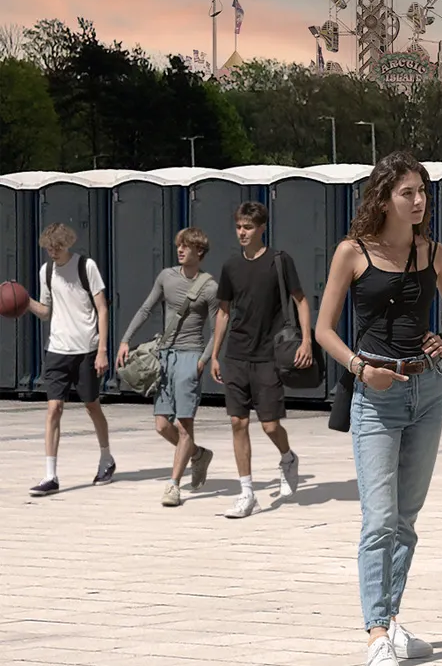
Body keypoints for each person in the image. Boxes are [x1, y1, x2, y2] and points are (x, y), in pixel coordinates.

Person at [316, 150, 442, 666]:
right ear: (384, 198)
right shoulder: (352, 253)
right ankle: (377, 634)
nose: (420, 200)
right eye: (409, 192)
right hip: (375, 395)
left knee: (406, 518)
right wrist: (360, 368)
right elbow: (323, 330)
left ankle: (393, 620)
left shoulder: (434, 253)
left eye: (423, 191)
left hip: (427, 390)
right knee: (379, 519)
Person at [210, 201, 312, 519]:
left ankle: (287, 457)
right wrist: (214, 354)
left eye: (248, 227)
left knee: (269, 425)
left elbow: (301, 301)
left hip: (268, 354)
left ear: (261, 228)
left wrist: (307, 341)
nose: (242, 232)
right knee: (238, 422)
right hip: (236, 353)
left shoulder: (279, 261)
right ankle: (247, 493)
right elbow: (224, 311)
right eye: (239, 226)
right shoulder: (230, 266)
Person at [116, 228, 219, 508]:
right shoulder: (166, 277)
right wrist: (125, 340)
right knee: (162, 425)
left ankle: (173, 486)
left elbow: (219, 326)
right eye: (179, 246)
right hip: (165, 357)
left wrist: (203, 360)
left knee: (184, 425)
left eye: (186, 246)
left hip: (190, 356)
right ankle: (198, 455)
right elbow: (146, 309)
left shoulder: (210, 287)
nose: (180, 250)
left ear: (199, 252)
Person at [25, 223, 114, 495]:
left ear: (67, 244)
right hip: (57, 349)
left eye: (56, 247)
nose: (51, 251)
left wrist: (102, 350)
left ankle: (106, 459)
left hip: (86, 348)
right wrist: (23, 300)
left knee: (92, 406)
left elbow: (102, 309)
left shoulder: (86, 267)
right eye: (48, 247)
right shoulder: (46, 271)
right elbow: (46, 312)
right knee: (54, 409)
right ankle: (50, 475)